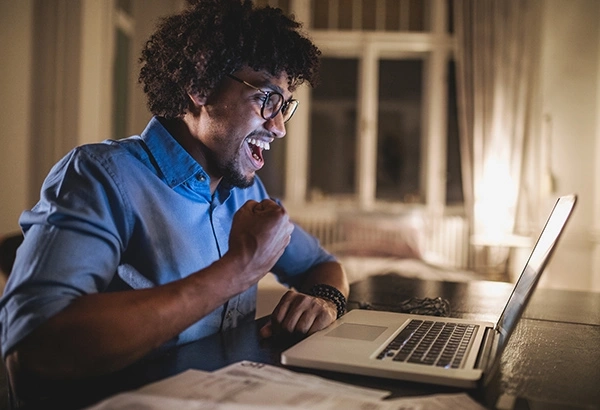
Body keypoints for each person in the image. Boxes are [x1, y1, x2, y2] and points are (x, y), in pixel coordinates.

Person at [0, 0, 348, 397]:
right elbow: (33, 347)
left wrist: (325, 301)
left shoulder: (245, 191)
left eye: (285, 105)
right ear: (200, 87)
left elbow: (322, 264)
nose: (279, 126)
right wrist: (237, 270)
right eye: (266, 98)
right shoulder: (100, 175)